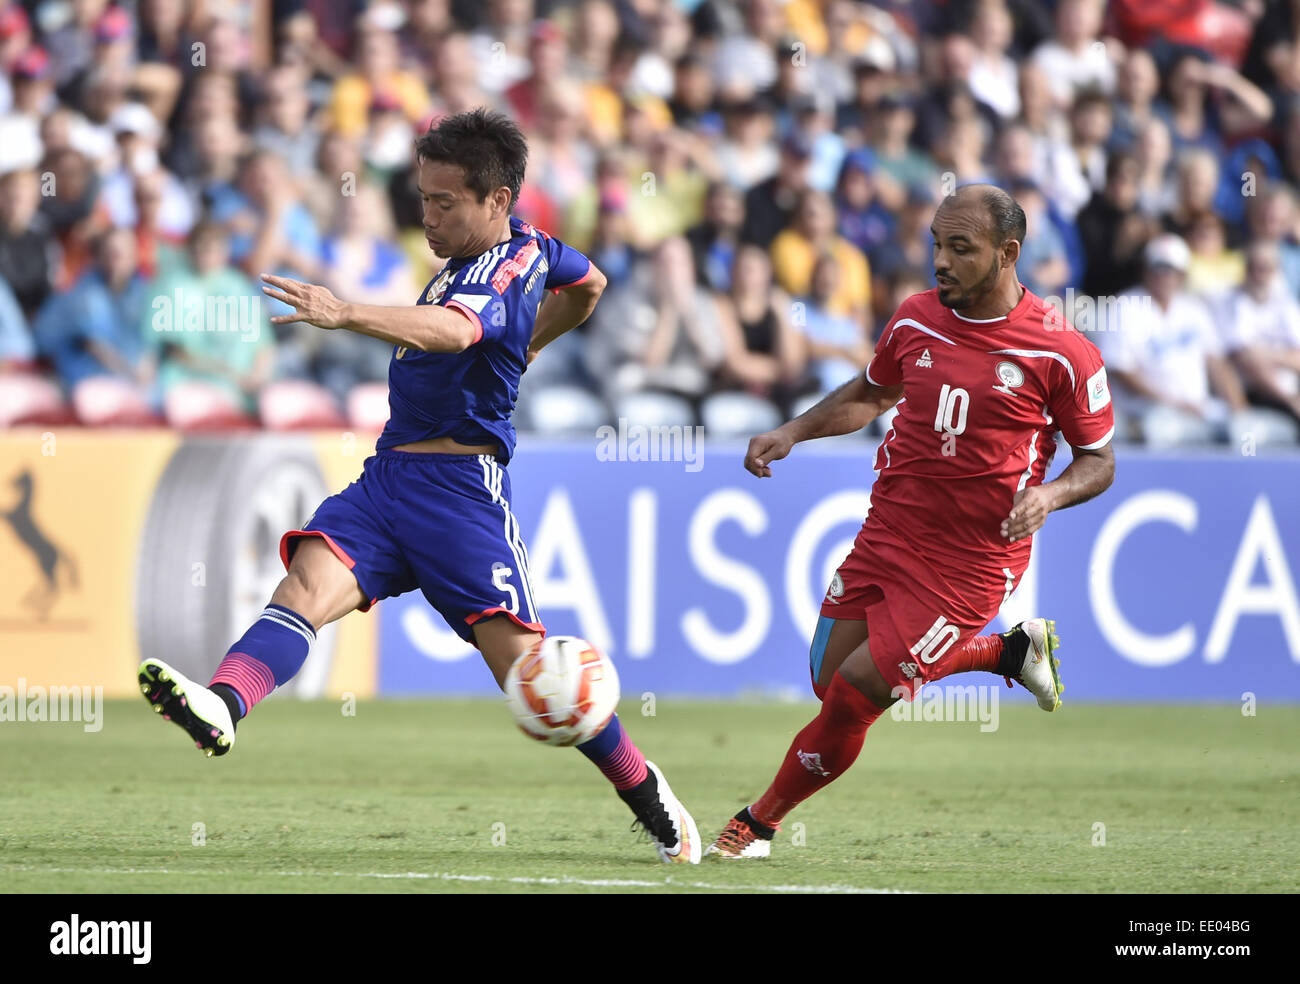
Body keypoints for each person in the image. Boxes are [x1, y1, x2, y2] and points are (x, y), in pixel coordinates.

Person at [136, 109, 701, 866]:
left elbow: (458, 331)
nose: (427, 217)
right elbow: (589, 282)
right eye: (423, 198)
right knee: (304, 586)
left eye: (445, 203)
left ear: (497, 200)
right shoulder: (533, 250)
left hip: (460, 495)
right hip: (389, 476)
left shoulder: (499, 267)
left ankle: (647, 794)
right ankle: (224, 703)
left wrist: (345, 312)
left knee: (536, 680)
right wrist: (533, 344)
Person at [706, 185, 1116, 858]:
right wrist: (793, 431)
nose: (941, 262)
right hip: (889, 532)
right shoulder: (917, 318)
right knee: (826, 678)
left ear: (1008, 254)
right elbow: (871, 392)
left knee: (853, 697)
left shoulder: (1062, 352)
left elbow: (1098, 462)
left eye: (961, 248)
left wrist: (1049, 497)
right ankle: (1010, 652)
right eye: (936, 245)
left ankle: (758, 823)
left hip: (971, 562)